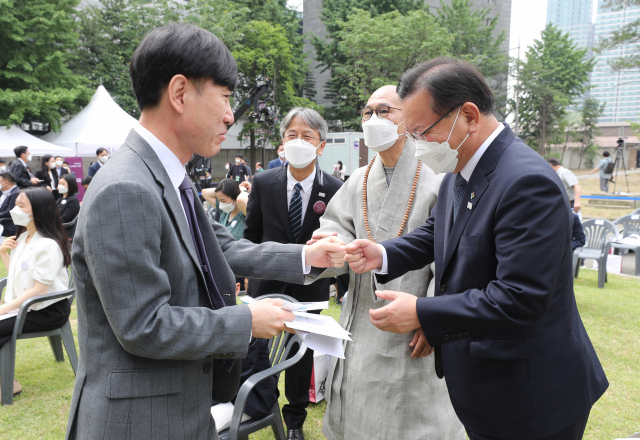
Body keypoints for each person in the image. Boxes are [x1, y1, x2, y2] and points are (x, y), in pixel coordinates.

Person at [65, 23, 344, 440]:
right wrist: (247, 319)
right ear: (180, 93)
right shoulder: (127, 187)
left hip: (178, 407)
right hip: (140, 422)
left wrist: (307, 257)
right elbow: (144, 325)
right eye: (225, 97)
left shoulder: (169, 177)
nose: (231, 115)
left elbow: (225, 248)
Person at [344, 58, 608, 440]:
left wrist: (421, 310)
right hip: (486, 388)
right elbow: (439, 232)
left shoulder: (526, 181)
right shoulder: (460, 169)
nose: (416, 145)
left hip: (530, 397)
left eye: (422, 132)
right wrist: (383, 253)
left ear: (467, 115)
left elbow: (520, 296)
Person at [305, 86, 463, 440]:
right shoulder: (358, 180)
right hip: (361, 318)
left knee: (411, 415)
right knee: (356, 407)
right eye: (366, 112)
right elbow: (335, 227)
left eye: (384, 111)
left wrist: (434, 316)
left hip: (413, 321)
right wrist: (333, 245)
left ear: (408, 118)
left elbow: (451, 256)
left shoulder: (438, 177)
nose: (373, 119)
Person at [244, 106, 343, 440]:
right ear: (282, 143)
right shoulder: (263, 182)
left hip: (310, 289)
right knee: (259, 351)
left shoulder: (335, 187)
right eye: (291, 135)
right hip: (266, 287)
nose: (298, 142)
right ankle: (261, 403)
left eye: (307, 136)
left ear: (321, 145)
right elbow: (251, 235)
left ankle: (295, 421)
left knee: (302, 357)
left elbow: (338, 239)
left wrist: (340, 284)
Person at [0, 188, 72, 398]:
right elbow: (18, 272)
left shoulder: (48, 245)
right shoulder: (24, 238)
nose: (15, 209)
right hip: (30, 306)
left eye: (21, 205)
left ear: (38, 212)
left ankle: (8, 384)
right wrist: (4, 253)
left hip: (48, 310)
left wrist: (3, 309)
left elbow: (39, 290)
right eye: (15, 204)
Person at [0, 172, 20, 237]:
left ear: (6, 183)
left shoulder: (16, 193)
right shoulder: (3, 191)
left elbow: (10, 211)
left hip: (7, 223)